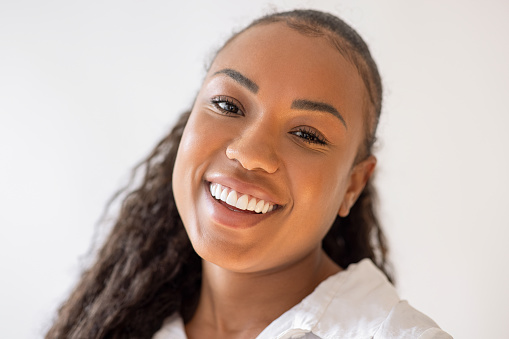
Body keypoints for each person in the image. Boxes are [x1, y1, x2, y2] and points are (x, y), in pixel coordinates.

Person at [45, 9, 451, 339]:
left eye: (307, 134)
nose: (250, 153)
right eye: (227, 105)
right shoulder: (114, 322)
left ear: (353, 184)